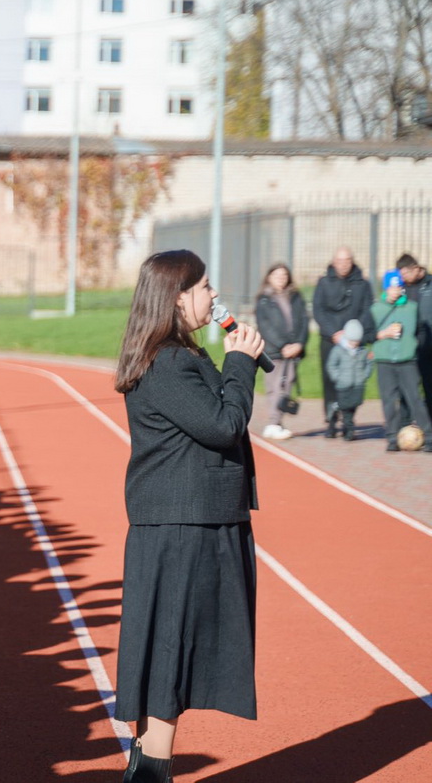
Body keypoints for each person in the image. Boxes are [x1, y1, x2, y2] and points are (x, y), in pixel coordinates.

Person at [112, 250, 263, 783]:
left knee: (169, 644)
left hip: (188, 521)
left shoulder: (178, 354)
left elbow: (216, 414)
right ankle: (153, 770)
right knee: (170, 646)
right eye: (204, 286)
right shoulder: (169, 362)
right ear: (178, 297)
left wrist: (230, 362)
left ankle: (147, 765)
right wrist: (240, 363)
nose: (213, 293)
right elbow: (223, 426)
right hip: (182, 526)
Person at [369, 272, 432, 452]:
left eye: (398, 287)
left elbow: (421, 330)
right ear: (386, 288)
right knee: (389, 400)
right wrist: (382, 335)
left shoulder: (412, 308)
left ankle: (428, 436)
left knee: (415, 399)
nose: (395, 291)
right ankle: (391, 437)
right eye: (392, 287)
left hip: (407, 361)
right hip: (385, 361)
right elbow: (368, 334)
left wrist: (414, 344)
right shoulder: (376, 309)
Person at [312, 247, 375, 416]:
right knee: (329, 377)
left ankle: (348, 418)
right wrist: (334, 333)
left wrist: (352, 334)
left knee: (353, 380)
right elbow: (318, 310)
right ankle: (331, 416)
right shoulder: (324, 283)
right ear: (334, 262)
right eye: (339, 261)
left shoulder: (363, 284)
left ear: (352, 261)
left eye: (347, 260)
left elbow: (367, 309)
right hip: (330, 339)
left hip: (354, 341)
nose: (343, 265)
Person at [253, 263, 308, 440]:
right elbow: (266, 327)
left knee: (287, 385)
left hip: (293, 350)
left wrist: (299, 343)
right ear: (269, 277)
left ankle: (278, 422)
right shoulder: (263, 299)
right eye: (277, 275)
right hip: (274, 351)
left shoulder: (295, 297)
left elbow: (303, 321)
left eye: (284, 275)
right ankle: (273, 422)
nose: (281, 278)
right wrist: (283, 345)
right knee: (275, 385)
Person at [396, 253, 432, 421]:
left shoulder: (430, 285)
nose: (404, 278)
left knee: (429, 386)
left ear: (416, 269)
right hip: (407, 345)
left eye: (405, 274)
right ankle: (404, 425)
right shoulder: (402, 289)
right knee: (406, 387)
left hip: (428, 345)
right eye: (401, 275)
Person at [326, 319, 374, 440]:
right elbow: (331, 365)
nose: (354, 344)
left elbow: (369, 363)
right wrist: (337, 377)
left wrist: (365, 375)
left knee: (353, 406)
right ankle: (349, 431)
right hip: (343, 385)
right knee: (346, 409)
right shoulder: (338, 350)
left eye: (357, 341)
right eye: (352, 341)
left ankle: (336, 408)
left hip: (358, 385)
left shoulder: (363, 351)